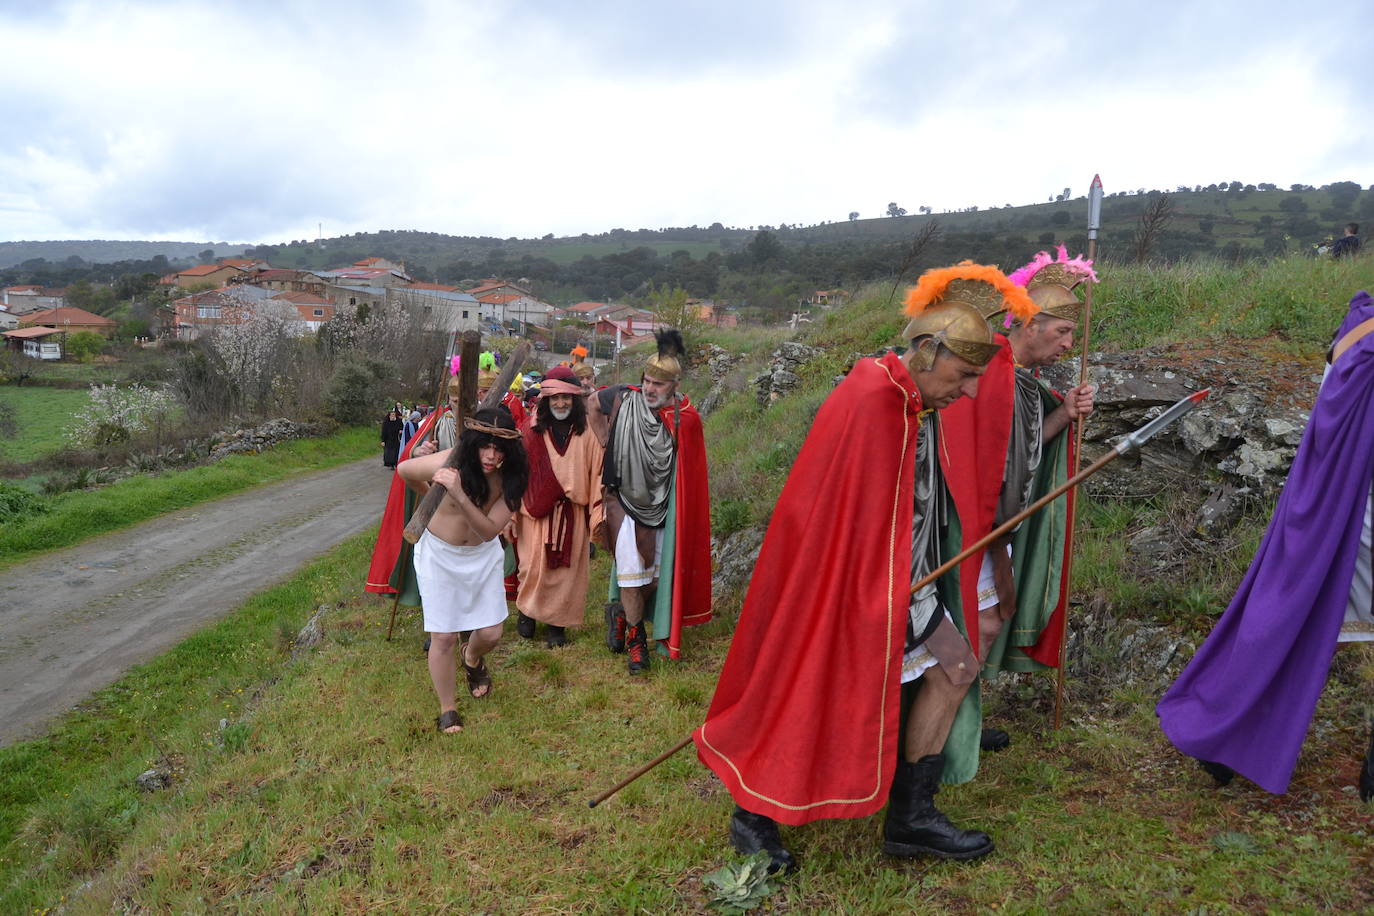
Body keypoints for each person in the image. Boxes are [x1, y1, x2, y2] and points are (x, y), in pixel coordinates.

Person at [693, 263, 1038, 873]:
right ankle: (756, 814)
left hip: (902, 580)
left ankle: (911, 818)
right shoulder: (875, 397)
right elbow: (840, 513)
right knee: (812, 683)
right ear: (928, 351)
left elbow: (915, 503)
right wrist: (883, 586)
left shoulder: (912, 401)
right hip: (848, 585)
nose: (969, 392)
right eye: (963, 376)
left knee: (953, 670)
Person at [1158, 289, 1374, 798]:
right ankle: (1229, 737)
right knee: (1285, 623)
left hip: (1330, 507)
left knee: (1282, 621)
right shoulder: (1363, 335)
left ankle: (1224, 737)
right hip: (1353, 510)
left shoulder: (1357, 327)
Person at [940, 246, 1097, 754]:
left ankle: (957, 718)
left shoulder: (1022, 382)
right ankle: (943, 729)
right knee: (975, 623)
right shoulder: (988, 370)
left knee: (987, 620)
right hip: (965, 527)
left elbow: (1023, 452)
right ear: (1031, 325)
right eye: (1062, 332)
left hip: (994, 530)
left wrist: (1065, 415)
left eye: (1073, 334)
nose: (1069, 345)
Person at [397, 407, 528, 733]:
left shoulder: (511, 478)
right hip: (439, 554)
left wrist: (457, 493)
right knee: (443, 637)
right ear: (472, 443)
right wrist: (432, 495)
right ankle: (448, 709)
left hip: (482, 557)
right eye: (485, 446)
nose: (491, 456)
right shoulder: (448, 460)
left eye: (499, 449)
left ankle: (472, 659)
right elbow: (404, 470)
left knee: (491, 633)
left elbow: (488, 531)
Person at [597, 329, 712, 674]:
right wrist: (604, 440)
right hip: (627, 504)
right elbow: (589, 403)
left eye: (658, 384)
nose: (649, 388)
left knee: (655, 580)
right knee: (632, 575)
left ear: (674, 386)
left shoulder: (687, 419)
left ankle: (621, 614)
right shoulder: (628, 400)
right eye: (646, 381)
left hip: (665, 510)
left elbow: (688, 472)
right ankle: (636, 640)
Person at [512, 366, 606, 647]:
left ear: (574, 399)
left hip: (572, 514)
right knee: (531, 567)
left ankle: (556, 626)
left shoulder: (588, 432)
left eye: (566, 398)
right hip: (535, 512)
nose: (561, 403)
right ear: (546, 400)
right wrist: (513, 509)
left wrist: (598, 515)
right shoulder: (529, 430)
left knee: (566, 574)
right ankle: (527, 611)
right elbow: (517, 473)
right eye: (555, 398)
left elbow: (598, 473)